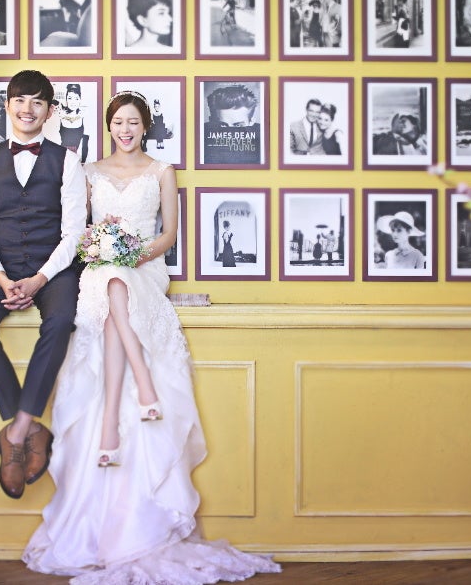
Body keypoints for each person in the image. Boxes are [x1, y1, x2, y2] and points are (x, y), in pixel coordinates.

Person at [23, 91, 280, 583]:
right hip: (102, 270)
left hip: (145, 267)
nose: (126, 129)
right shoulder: (88, 171)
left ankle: (116, 421)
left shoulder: (163, 171)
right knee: (109, 287)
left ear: (145, 127)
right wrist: (101, 250)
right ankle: (139, 389)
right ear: (109, 126)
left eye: (134, 122)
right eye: (119, 122)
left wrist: (130, 254)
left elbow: (168, 236)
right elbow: (76, 233)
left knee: (119, 283)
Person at [0, 70, 87, 500]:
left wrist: (39, 279)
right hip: (1, 267)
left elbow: (74, 232)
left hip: (53, 269)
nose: (27, 109)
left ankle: (15, 432)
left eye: (37, 102)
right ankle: (32, 427)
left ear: (49, 111)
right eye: (20, 100)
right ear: (7, 106)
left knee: (61, 322)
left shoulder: (68, 161)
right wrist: (1, 277)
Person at [204, 84, 261, 164]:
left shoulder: (262, 143)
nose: (230, 133)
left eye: (238, 125)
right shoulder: (201, 138)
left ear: (251, 122)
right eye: (223, 125)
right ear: (211, 121)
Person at [55, 83, 89, 162]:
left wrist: (82, 162)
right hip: (60, 157)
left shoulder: (83, 117)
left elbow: (85, 144)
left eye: (76, 98)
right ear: (66, 99)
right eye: (70, 98)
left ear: (80, 100)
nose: (73, 102)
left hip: (77, 159)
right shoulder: (60, 116)